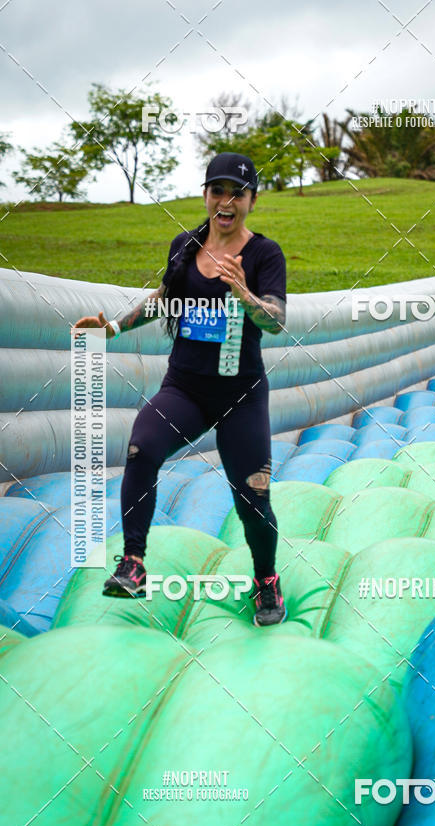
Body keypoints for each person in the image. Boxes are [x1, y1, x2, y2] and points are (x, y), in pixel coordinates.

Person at [73, 152, 288, 626]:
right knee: (141, 447)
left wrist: (244, 294)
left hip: (241, 396)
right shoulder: (185, 245)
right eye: (217, 191)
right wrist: (109, 329)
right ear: (205, 195)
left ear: (252, 200)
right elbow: (164, 299)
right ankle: (133, 563)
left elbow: (275, 320)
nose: (226, 202)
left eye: (237, 193)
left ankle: (266, 580)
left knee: (252, 495)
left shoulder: (263, 255)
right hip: (185, 390)